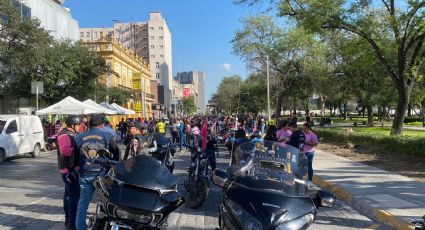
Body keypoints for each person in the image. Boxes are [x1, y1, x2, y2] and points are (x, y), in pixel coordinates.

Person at [75, 115, 120, 230]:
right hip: (102, 175)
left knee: (83, 205)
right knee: (107, 203)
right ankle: (102, 226)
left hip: (85, 174)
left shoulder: (80, 136)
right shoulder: (106, 135)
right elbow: (116, 151)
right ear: (101, 125)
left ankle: (81, 228)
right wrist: (115, 164)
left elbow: (75, 155)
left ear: (88, 125)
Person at [57, 115, 81, 230]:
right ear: (73, 125)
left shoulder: (70, 135)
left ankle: (69, 221)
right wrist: (68, 172)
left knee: (68, 195)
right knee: (73, 197)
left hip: (70, 170)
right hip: (68, 171)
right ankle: (71, 223)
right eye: (78, 125)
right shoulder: (65, 135)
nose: (80, 127)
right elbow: (64, 153)